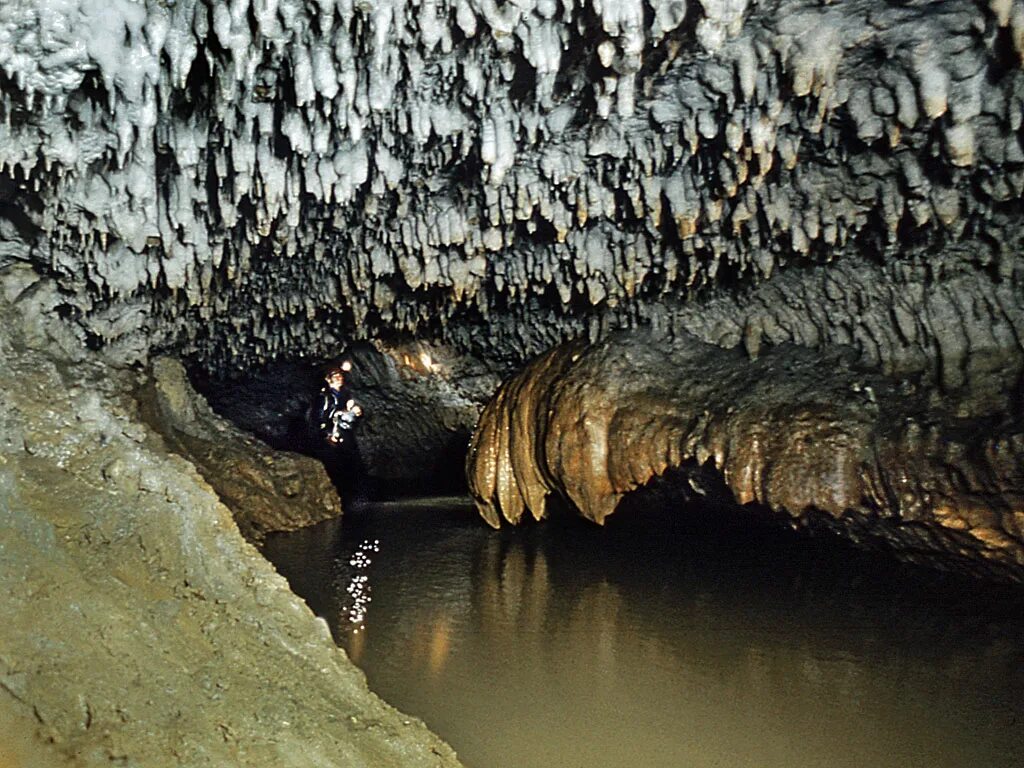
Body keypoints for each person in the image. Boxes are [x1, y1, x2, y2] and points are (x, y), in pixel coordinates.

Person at [317, 362, 363, 444]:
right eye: (335, 376)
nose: (339, 378)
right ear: (328, 379)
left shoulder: (346, 394)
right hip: (330, 434)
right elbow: (318, 418)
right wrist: (327, 434)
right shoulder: (325, 397)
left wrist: (355, 410)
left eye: (340, 375)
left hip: (345, 432)